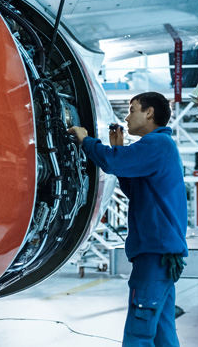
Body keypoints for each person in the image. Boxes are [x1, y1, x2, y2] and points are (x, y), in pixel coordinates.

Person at [68, 92, 188, 347]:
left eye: (132, 109)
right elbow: (133, 186)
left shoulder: (156, 144)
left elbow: (112, 164)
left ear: (150, 113)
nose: (127, 116)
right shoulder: (158, 147)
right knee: (162, 331)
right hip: (160, 254)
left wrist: (86, 141)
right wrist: (119, 150)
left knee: (139, 331)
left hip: (155, 254)